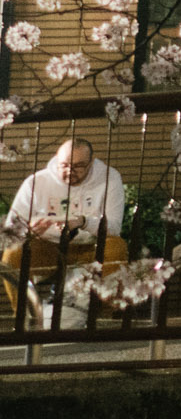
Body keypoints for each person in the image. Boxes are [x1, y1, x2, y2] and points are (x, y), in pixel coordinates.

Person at [6, 135, 128, 331]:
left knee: (116, 246)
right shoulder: (37, 182)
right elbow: (12, 228)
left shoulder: (108, 177)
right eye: (64, 165)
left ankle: (109, 313)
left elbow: (114, 227)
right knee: (12, 255)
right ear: (57, 159)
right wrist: (30, 229)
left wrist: (83, 222)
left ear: (91, 163)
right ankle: (25, 316)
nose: (70, 171)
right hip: (49, 246)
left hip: (91, 245)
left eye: (79, 166)